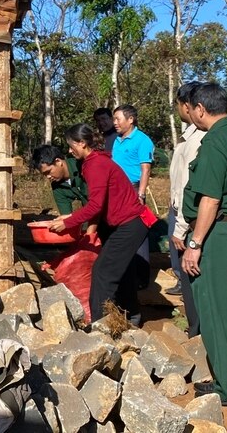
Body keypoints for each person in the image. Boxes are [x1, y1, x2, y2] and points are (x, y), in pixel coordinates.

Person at [181, 83, 227, 408]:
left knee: (214, 311)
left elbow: (210, 198)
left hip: (214, 233)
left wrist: (195, 243)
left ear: (200, 109)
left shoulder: (215, 142)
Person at [44, 124, 149, 325]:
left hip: (130, 224)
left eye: (71, 145)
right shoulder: (95, 162)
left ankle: (100, 325)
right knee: (122, 272)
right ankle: (131, 316)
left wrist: (68, 222)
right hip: (127, 223)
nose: (69, 150)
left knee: (102, 272)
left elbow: (94, 206)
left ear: (82, 143)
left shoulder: (95, 165)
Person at [167, 81, 204, 337]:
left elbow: (186, 188)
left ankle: (197, 334)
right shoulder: (190, 137)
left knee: (192, 280)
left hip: (189, 219)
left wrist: (180, 228)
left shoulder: (195, 140)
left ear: (187, 106)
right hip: (186, 216)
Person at [112, 104, 154, 289]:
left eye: (118, 119)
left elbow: (145, 169)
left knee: (138, 229)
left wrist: (141, 193)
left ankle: (141, 277)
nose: (115, 123)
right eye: (114, 119)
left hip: (133, 189)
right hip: (117, 190)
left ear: (130, 120)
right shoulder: (117, 140)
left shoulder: (142, 140)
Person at [30, 144, 89, 218]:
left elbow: (96, 203)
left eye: (48, 172)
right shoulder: (57, 186)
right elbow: (66, 216)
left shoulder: (83, 167)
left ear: (58, 161)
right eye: (44, 174)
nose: (48, 177)